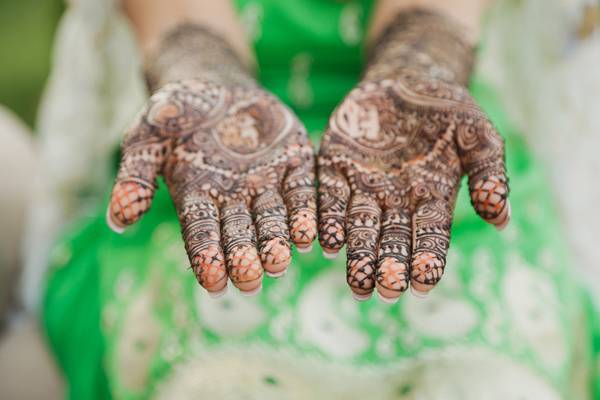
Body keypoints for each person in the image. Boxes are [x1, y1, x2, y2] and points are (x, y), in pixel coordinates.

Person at [42, 0, 599, 398]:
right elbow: (180, 16)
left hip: (432, 165)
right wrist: (202, 71)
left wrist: (420, 65)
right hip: (207, 178)